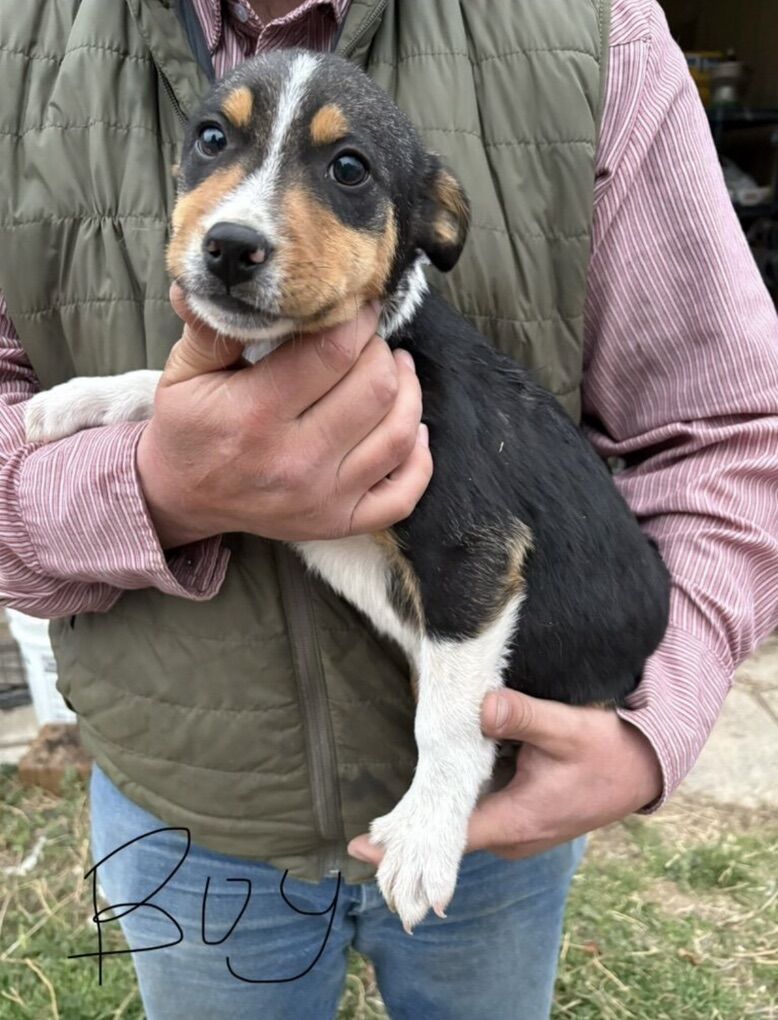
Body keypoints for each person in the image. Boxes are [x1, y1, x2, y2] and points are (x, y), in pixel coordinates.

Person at [0, 0, 776, 1017]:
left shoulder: (597, 32)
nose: (246, 222)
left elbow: (729, 427)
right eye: (215, 142)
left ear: (425, 228)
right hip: (179, 810)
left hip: (496, 805)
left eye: (347, 172)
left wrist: (648, 727)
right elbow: (231, 404)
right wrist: (147, 475)